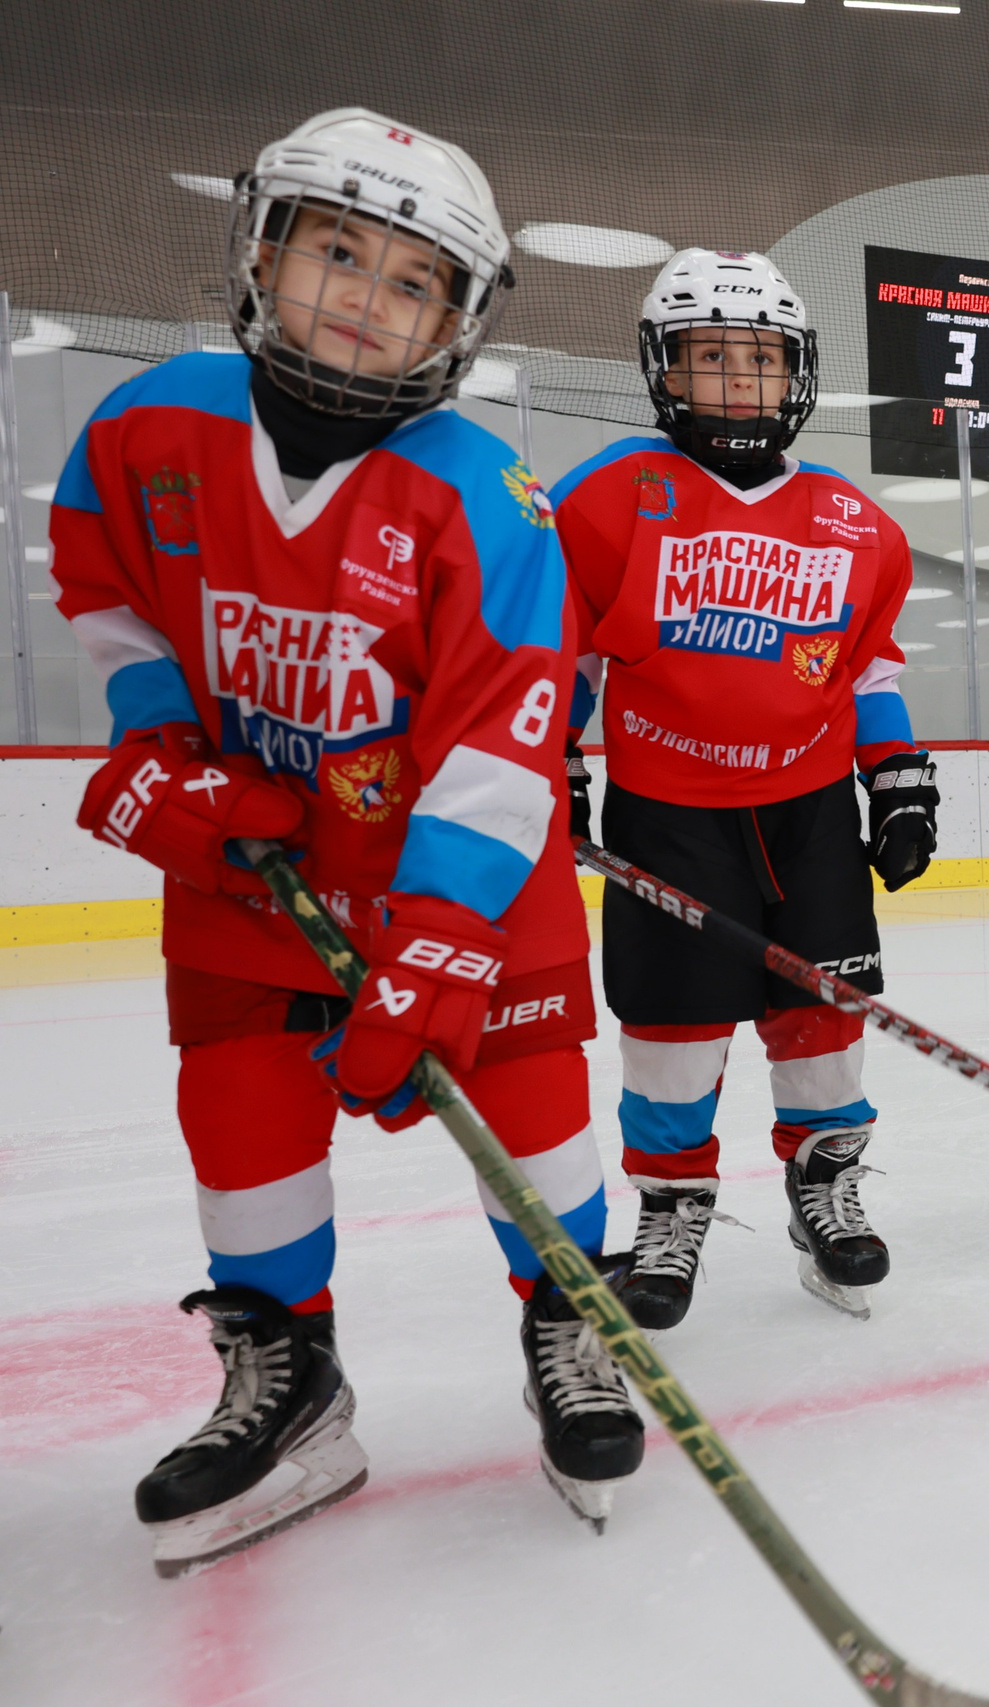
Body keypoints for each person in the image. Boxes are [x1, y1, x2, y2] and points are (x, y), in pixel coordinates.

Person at [53, 108, 634, 1569]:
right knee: (241, 1113)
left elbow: (508, 735)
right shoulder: (143, 428)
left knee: (536, 1102)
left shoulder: (484, 498)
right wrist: (162, 751)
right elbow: (118, 600)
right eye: (336, 249)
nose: (365, 296)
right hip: (258, 871)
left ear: (456, 318)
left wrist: (440, 930)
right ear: (264, 251)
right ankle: (292, 1378)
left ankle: (572, 1318)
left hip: (467, 872)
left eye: (412, 278)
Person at [551, 250, 931, 1328]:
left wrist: (897, 779)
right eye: (709, 358)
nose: (735, 383)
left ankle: (825, 1187)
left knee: (824, 1014)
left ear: (794, 373)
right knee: (672, 1026)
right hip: (669, 816)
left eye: (758, 360)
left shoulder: (855, 522)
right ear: (665, 371)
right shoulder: (610, 495)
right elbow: (563, 654)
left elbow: (869, 665)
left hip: (808, 817)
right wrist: (554, 760)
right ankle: (673, 1206)